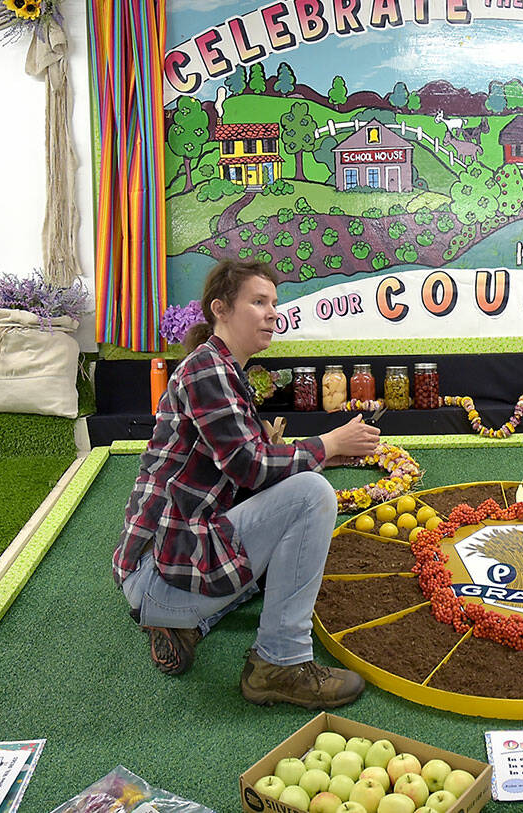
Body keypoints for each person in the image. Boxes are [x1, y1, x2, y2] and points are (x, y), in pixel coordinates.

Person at [113, 259, 381, 708]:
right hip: (156, 577)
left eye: (274, 303)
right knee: (312, 498)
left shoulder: (222, 369)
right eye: (258, 302)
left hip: (161, 570)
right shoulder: (207, 370)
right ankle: (281, 661)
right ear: (221, 309)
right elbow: (251, 469)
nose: (272, 312)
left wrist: (326, 455)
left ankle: (186, 624)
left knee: (296, 520)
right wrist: (329, 442)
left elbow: (247, 471)